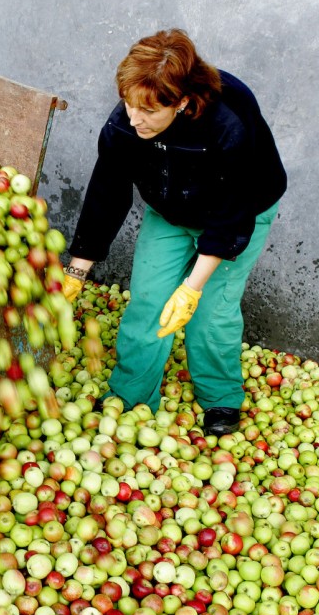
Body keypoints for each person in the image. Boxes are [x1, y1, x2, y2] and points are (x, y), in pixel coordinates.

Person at [61, 28, 287, 437]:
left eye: (149, 111)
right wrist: (76, 272)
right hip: (172, 210)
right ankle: (131, 394)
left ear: (182, 101)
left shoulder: (229, 122)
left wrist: (193, 288)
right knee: (147, 300)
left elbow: (234, 211)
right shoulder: (127, 122)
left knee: (210, 314)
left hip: (238, 212)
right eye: (129, 105)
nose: (135, 119)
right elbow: (106, 193)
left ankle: (219, 396)